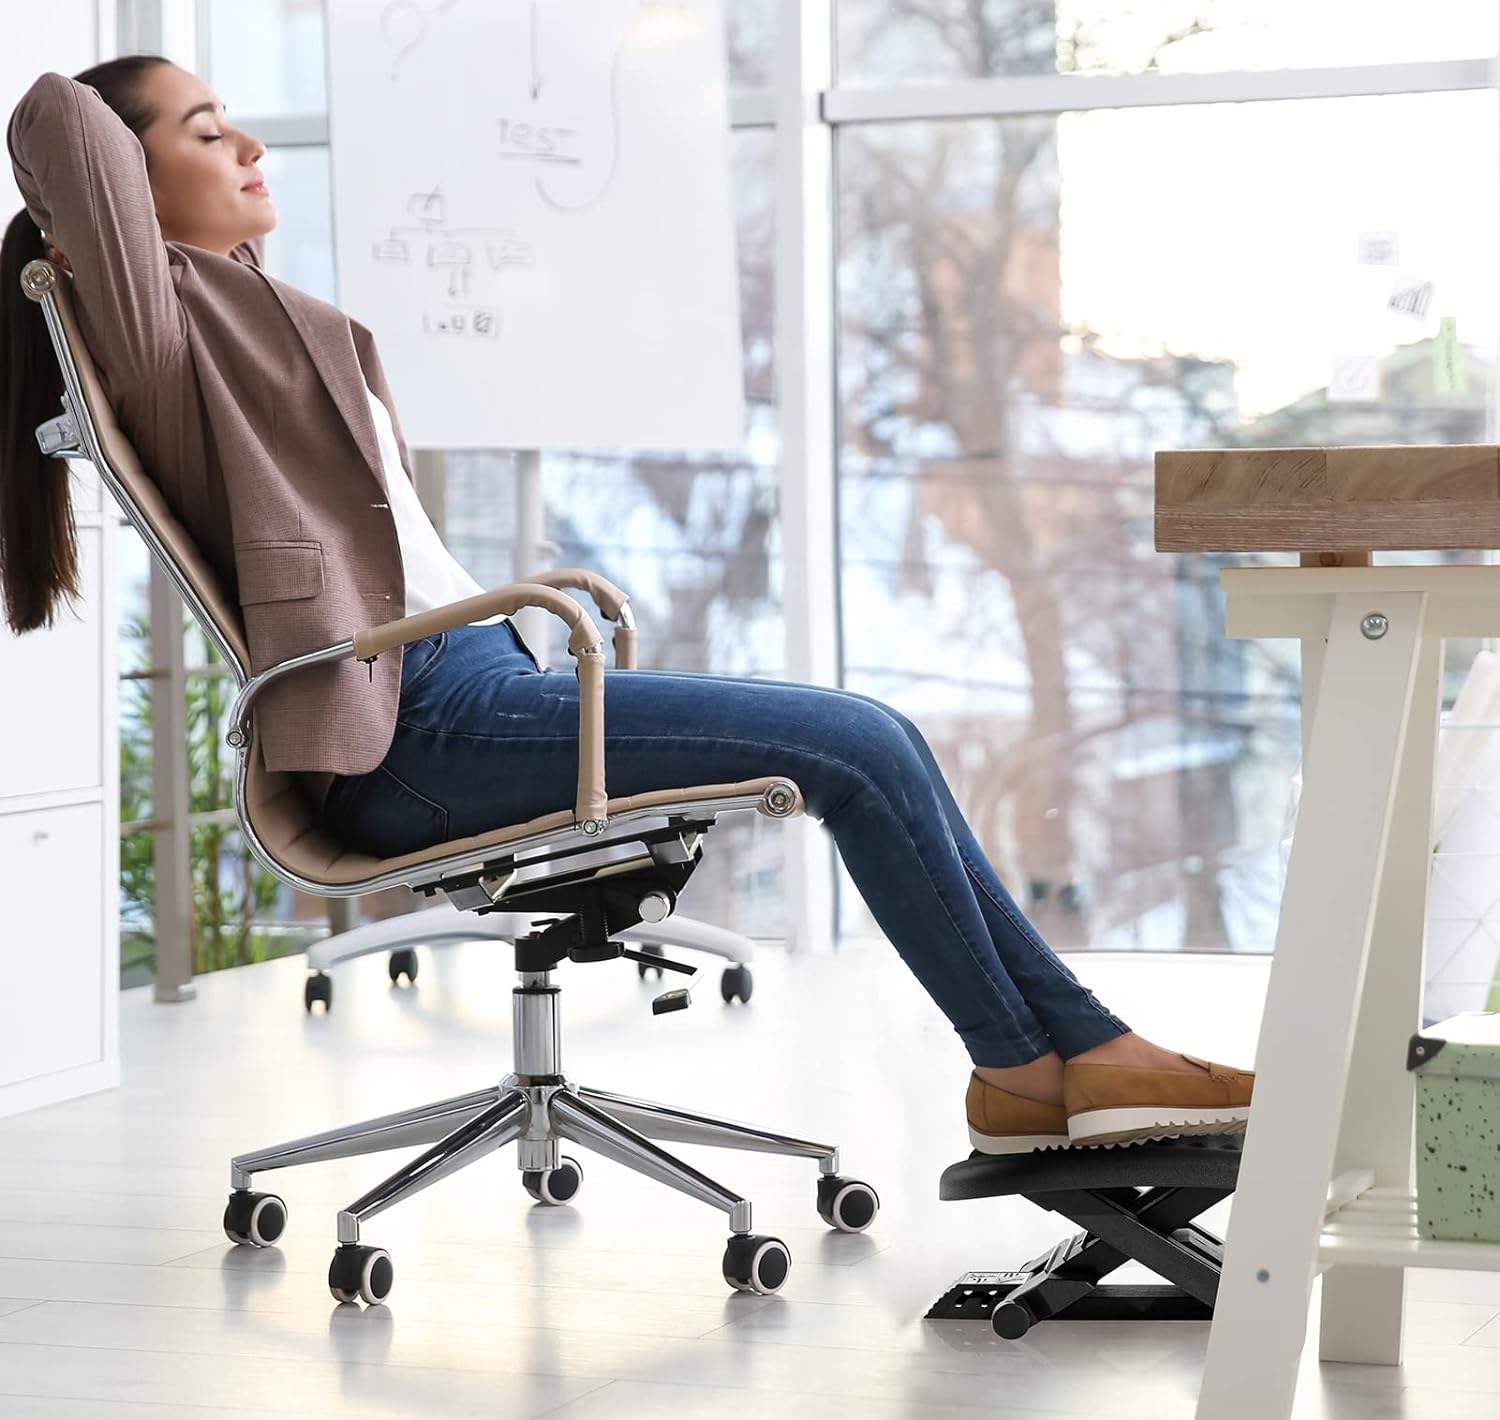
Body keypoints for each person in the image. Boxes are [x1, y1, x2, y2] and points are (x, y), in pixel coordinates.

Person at [2, 56, 1253, 1154]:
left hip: (476, 687)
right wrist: (116, 158)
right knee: (859, 747)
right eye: (205, 131)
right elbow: (59, 114)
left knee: (883, 739)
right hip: (417, 731)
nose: (249, 145)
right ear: (122, 190)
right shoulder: (156, 337)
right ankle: (1036, 1069)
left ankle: (1069, 1057)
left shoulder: (247, 315)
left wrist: (184, 140)